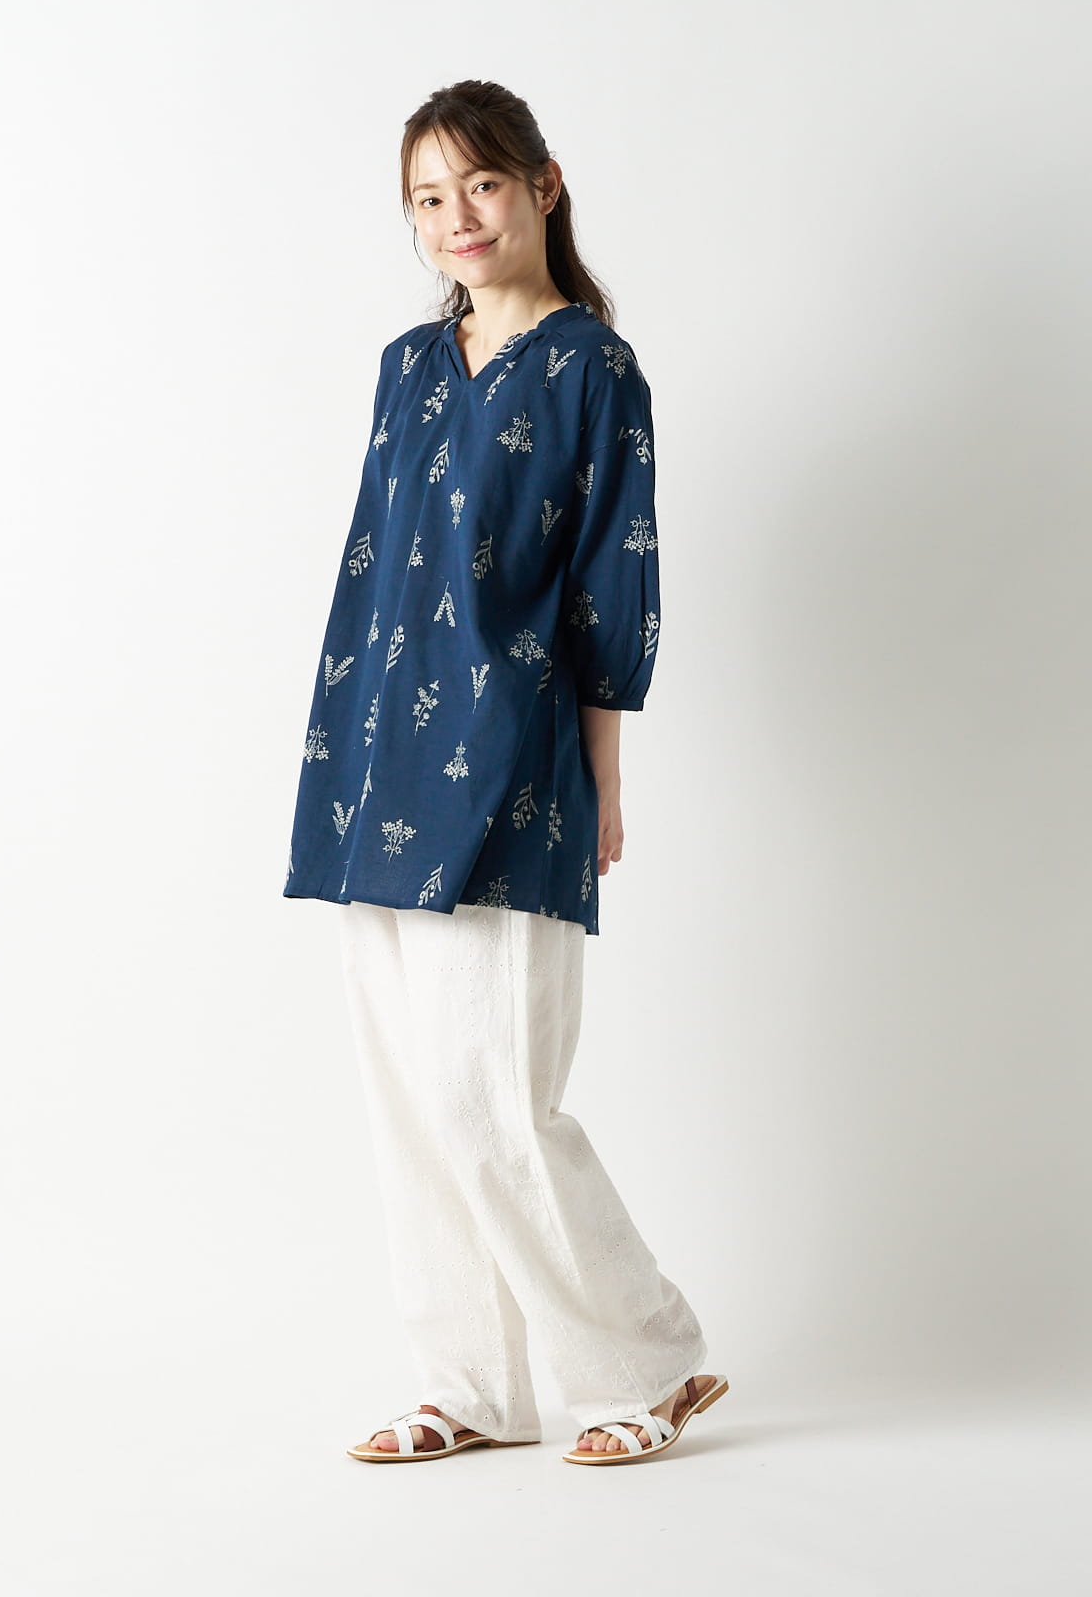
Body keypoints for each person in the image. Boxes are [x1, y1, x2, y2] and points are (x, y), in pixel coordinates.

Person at [283, 78, 725, 1464]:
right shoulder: (407, 367)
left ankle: (645, 1364)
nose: (456, 218)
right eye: (428, 197)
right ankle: (467, 1384)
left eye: (479, 184)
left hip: (512, 756)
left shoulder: (594, 367)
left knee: (493, 1100)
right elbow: (374, 565)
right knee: (413, 1103)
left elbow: (612, 577)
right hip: (373, 754)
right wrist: (341, 747)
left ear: (543, 184)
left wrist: (603, 772)